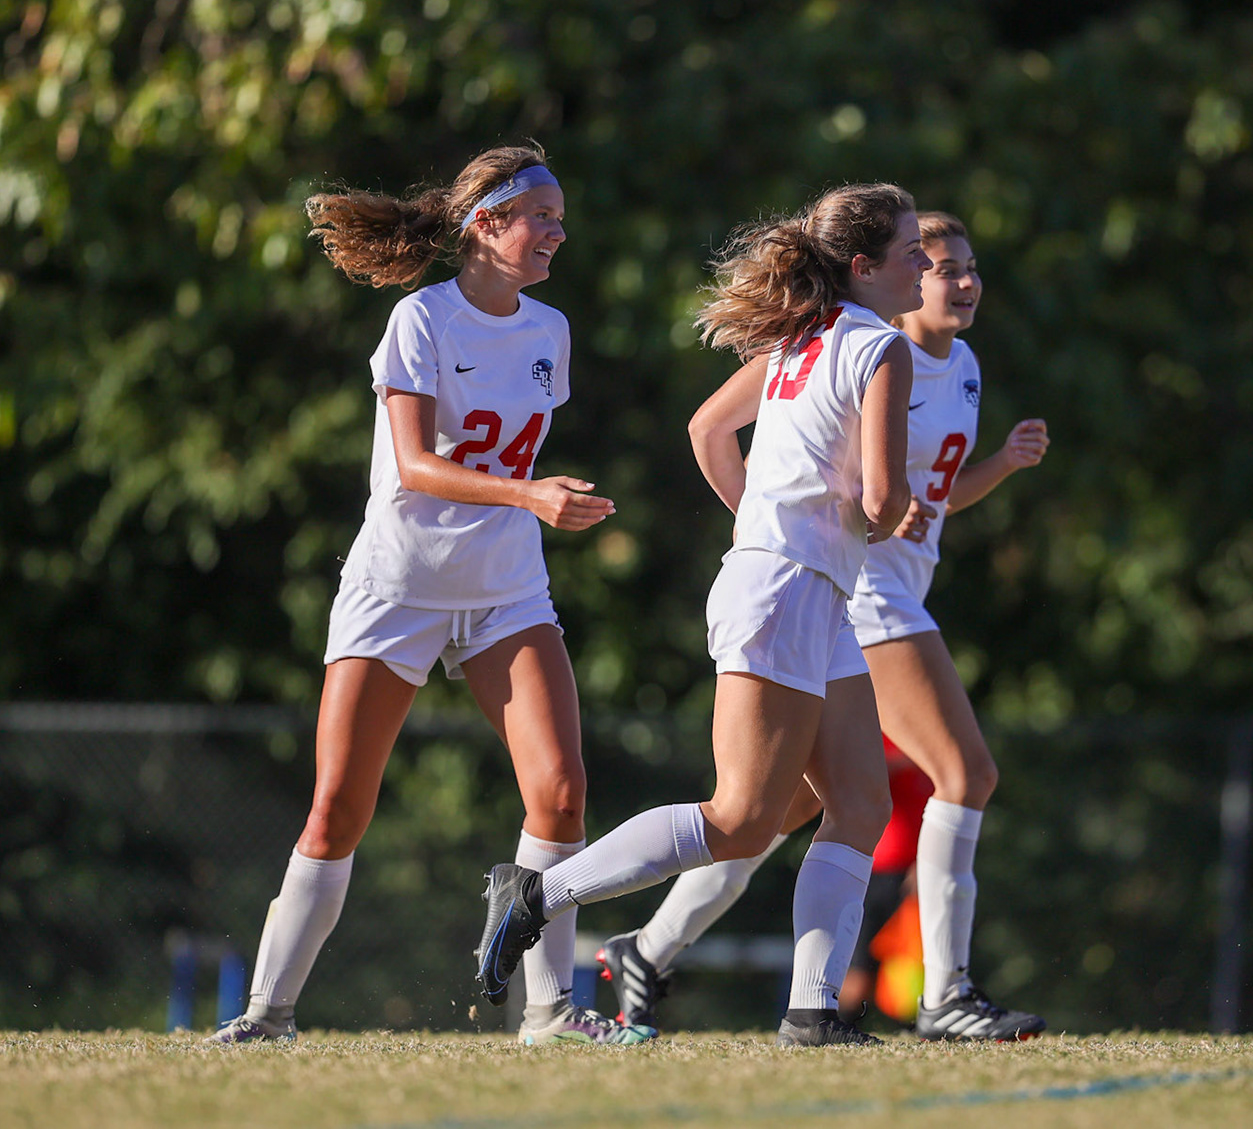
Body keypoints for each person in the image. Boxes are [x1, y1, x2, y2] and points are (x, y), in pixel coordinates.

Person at [211, 146, 650, 1046]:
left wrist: (533, 504)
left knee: (561, 793)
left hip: (505, 589)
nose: (558, 234)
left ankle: (549, 1013)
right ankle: (268, 1015)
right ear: (486, 223)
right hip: (401, 584)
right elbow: (413, 465)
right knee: (338, 807)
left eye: (561, 220)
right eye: (542, 217)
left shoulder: (550, 331)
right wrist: (530, 495)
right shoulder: (422, 317)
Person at [474, 183, 923, 1046]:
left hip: (799, 587)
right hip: (786, 588)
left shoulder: (802, 337)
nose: (925, 268)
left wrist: (767, 522)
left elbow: (708, 432)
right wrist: (875, 514)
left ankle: (812, 1013)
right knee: (742, 817)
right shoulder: (881, 348)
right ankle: (536, 892)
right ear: (865, 267)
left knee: (860, 801)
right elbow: (879, 501)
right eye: (912, 254)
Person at [593, 212, 1051, 1041]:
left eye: (967, 266)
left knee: (783, 811)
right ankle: (944, 993)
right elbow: (717, 429)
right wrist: (765, 525)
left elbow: (929, 500)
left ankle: (649, 949)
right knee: (964, 773)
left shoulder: (963, 366)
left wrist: (999, 466)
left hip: (887, 592)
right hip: (863, 596)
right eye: (938, 264)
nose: (960, 281)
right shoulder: (858, 345)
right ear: (890, 271)